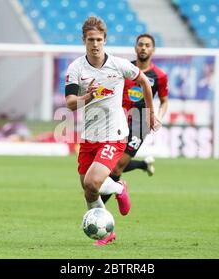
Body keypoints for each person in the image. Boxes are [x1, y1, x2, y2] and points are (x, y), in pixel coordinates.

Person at [65, 16, 156, 245]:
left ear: (105, 40)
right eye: (90, 40)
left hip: (114, 135)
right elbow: (69, 103)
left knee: (92, 183)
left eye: (98, 39)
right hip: (89, 137)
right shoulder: (76, 68)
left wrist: (150, 114)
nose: (95, 44)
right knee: (89, 192)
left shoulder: (119, 65)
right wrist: (87, 96)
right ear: (83, 41)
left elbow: (145, 82)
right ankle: (107, 233)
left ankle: (118, 186)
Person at [101, 34, 168, 204]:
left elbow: (164, 101)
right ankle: (143, 165)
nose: (143, 48)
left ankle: (98, 208)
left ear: (153, 50)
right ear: (135, 47)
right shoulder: (125, 69)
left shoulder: (159, 76)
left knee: (116, 167)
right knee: (111, 162)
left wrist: (158, 117)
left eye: (147, 45)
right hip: (118, 120)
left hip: (140, 124)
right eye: (140, 44)